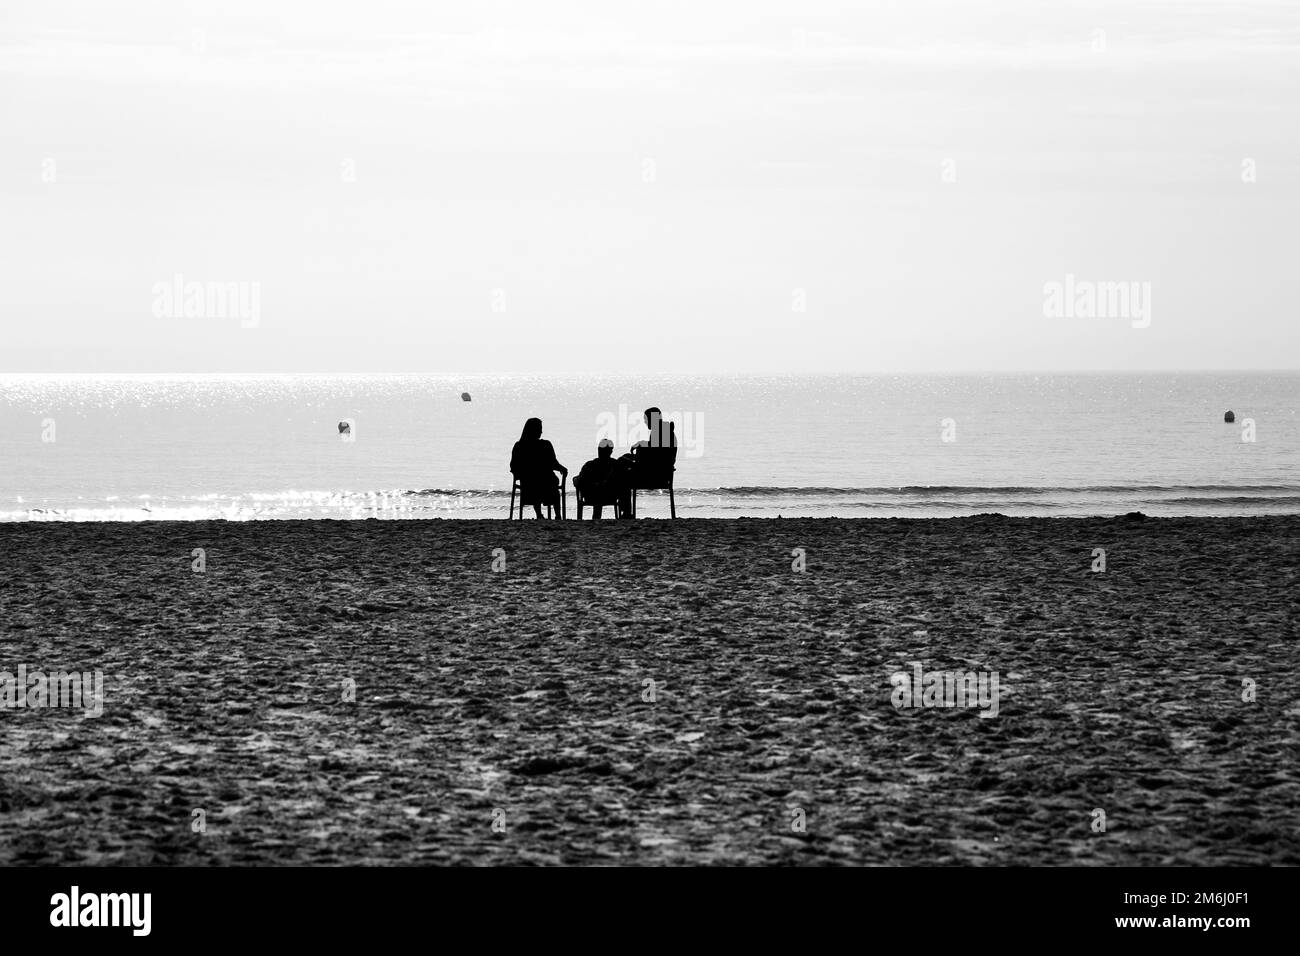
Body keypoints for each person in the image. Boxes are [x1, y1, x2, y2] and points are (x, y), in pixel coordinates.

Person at [617, 407, 677, 518]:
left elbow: (649, 460)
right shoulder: (664, 431)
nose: (645, 422)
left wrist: (636, 455)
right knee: (624, 460)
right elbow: (652, 454)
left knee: (622, 470)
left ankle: (625, 511)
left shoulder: (658, 432)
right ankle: (625, 510)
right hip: (661, 473)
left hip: (654, 476)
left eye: (646, 419)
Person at [510, 418, 567, 518]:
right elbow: (554, 463)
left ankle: (539, 514)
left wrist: (519, 475)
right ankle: (558, 515)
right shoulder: (545, 445)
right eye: (539, 429)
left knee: (536, 482)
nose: (541, 431)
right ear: (534, 430)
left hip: (528, 483)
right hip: (545, 482)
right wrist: (562, 469)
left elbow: (513, 466)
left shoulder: (519, 446)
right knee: (548, 484)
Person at [573, 439, 623, 519]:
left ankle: (595, 518)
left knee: (593, 488)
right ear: (610, 451)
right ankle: (625, 513)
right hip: (610, 496)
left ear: (599, 450)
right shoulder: (615, 464)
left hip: (591, 496)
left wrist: (575, 479)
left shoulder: (590, 464)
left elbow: (580, 480)